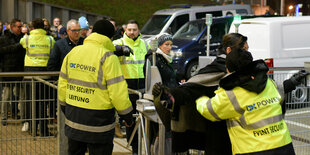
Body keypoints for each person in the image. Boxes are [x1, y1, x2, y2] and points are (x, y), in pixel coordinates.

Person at [152, 33, 248, 154]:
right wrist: (167, 95)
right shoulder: (218, 68)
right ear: (229, 50)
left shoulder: (243, 70)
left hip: (237, 136)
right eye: (244, 49)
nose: (247, 53)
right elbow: (191, 87)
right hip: (220, 135)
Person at [57, 19, 134, 155]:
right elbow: (117, 93)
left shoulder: (73, 52)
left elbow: (62, 85)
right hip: (99, 124)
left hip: (74, 118)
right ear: (110, 37)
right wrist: (127, 116)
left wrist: (65, 108)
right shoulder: (109, 58)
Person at [113, 19, 149, 155]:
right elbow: (107, 51)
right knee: (128, 120)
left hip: (142, 87)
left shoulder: (144, 44)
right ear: (125, 30)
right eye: (129, 30)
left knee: (140, 121)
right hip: (126, 88)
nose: (132, 32)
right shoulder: (118, 43)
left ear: (138, 30)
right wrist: (119, 51)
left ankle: (139, 148)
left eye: (134, 30)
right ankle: (133, 148)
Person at [144, 33, 181, 154]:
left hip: (170, 97)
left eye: (171, 44)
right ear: (159, 45)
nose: (169, 47)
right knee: (160, 133)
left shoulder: (165, 58)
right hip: (161, 100)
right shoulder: (154, 59)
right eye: (166, 44)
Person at [20, 18, 55, 136]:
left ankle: (33, 129)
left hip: (30, 73)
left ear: (32, 27)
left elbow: (21, 42)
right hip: (45, 73)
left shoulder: (27, 39)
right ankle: (44, 130)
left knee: (31, 101)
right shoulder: (50, 39)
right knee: (43, 102)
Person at [0, 18, 25, 126]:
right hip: (8, 71)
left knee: (22, 97)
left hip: (20, 71)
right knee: (6, 96)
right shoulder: (3, 38)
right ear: (12, 27)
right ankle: (4, 117)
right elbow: (2, 51)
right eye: (19, 27)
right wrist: (17, 46)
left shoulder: (23, 38)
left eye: (21, 26)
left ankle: (23, 118)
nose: (21, 28)